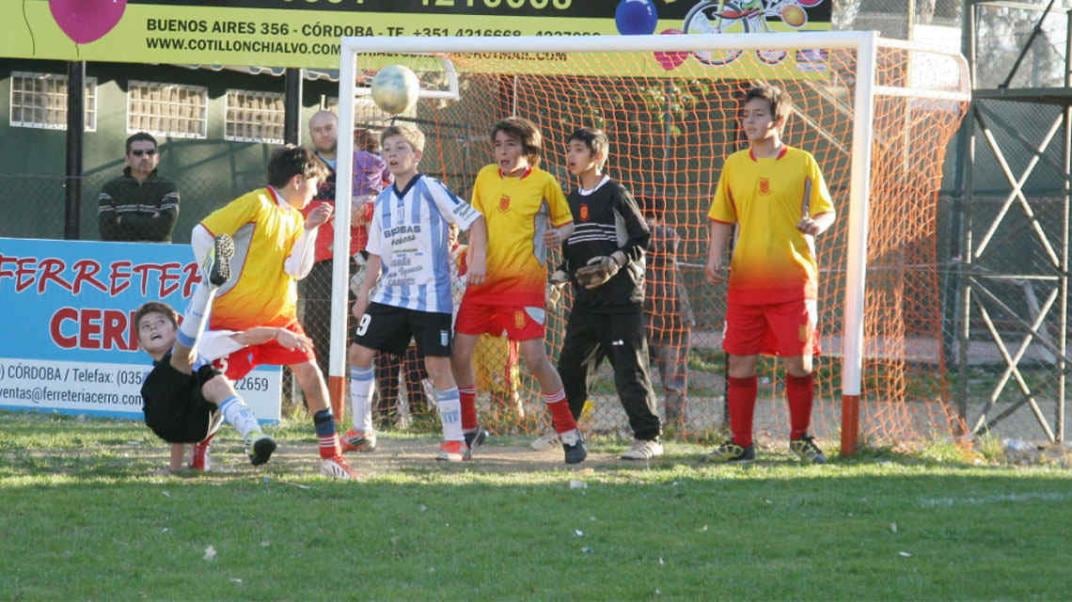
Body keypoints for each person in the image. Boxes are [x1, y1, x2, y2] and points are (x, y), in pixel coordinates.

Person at [192, 145, 358, 479]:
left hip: (281, 318)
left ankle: (332, 456)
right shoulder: (257, 203)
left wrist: (309, 229)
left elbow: (297, 269)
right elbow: (202, 233)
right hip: (235, 320)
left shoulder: (296, 218)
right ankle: (198, 454)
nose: (314, 194)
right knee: (217, 390)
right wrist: (217, 281)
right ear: (298, 180)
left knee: (311, 375)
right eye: (314, 186)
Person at [704, 84, 836, 464]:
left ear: (778, 119)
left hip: (794, 280)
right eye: (745, 115)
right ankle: (741, 442)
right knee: (740, 362)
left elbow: (826, 211)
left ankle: (801, 439)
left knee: (800, 362)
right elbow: (722, 217)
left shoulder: (803, 161)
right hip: (746, 282)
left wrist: (817, 225)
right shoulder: (734, 164)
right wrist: (715, 256)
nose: (749, 121)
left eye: (758, 114)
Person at [345, 125, 488, 462]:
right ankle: (361, 430)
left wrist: (478, 259)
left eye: (400, 148)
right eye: (387, 150)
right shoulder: (381, 200)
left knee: (437, 365)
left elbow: (476, 221)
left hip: (430, 295)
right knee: (358, 354)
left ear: (417, 155)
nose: (392, 155)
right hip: (390, 295)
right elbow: (376, 252)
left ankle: (455, 441)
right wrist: (364, 293)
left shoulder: (431, 189)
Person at [452, 117, 587, 464]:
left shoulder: (544, 182)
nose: (502, 152)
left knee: (535, 359)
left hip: (524, 285)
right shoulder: (485, 176)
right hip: (482, 283)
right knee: (460, 353)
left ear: (528, 148)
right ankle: (469, 430)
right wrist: (475, 258)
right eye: (497, 145)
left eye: (510, 144)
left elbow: (567, 223)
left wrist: (561, 235)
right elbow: (476, 221)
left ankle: (569, 433)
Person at [555, 127, 663, 461]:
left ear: (597, 156)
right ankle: (565, 432)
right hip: (587, 301)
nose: (571, 156)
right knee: (571, 366)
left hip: (621, 300)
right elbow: (572, 250)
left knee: (629, 369)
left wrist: (615, 261)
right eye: (569, 149)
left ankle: (649, 437)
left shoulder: (615, 192)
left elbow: (640, 237)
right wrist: (560, 276)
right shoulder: (570, 200)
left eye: (578, 150)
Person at [136, 234, 276, 473]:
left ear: (177, 328)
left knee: (216, 381)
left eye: (160, 322)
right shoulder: (159, 378)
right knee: (182, 359)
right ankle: (207, 286)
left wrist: (279, 333)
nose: (153, 328)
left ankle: (253, 436)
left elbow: (243, 337)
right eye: (146, 327)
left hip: (198, 424)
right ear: (140, 344)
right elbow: (171, 418)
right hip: (161, 416)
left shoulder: (203, 344)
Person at [299, 111, 380, 416]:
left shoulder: (366, 163)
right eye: (317, 130)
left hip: (361, 258)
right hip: (322, 258)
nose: (324, 134)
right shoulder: (306, 166)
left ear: (341, 128)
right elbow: (306, 204)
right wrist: (343, 208)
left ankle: (367, 408)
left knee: (365, 331)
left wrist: (367, 205)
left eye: (329, 127)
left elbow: (382, 198)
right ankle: (317, 407)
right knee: (319, 332)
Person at [641, 197, 696, 427]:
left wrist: (646, 226)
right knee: (638, 377)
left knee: (674, 380)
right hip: (643, 318)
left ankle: (676, 425)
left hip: (674, 318)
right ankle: (643, 423)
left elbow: (668, 240)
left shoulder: (665, 235)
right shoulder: (630, 240)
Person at [98, 132, 180, 242]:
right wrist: (151, 223)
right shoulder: (110, 189)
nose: (145, 157)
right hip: (119, 256)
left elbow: (164, 230)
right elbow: (107, 232)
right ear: (127, 158)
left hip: (158, 257)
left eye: (150, 152)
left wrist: (123, 220)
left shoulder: (168, 188)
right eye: (138, 153)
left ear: (158, 158)